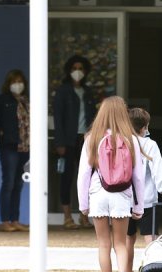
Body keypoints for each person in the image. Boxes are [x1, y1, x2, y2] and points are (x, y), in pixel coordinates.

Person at [77, 96, 145, 272]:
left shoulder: (92, 138)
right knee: (120, 243)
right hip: (122, 195)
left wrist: (83, 204)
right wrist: (139, 205)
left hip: (98, 193)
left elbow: (83, 174)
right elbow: (139, 176)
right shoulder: (131, 139)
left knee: (103, 244)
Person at [125, 107, 162, 272]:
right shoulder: (150, 144)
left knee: (127, 240)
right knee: (150, 239)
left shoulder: (122, 142)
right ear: (145, 126)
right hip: (147, 200)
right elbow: (158, 173)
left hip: (125, 200)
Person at [54, 55, 97, 229]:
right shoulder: (63, 91)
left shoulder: (88, 92)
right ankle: (66, 216)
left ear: (85, 71)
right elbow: (58, 118)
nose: (77, 72)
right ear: (69, 71)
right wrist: (60, 142)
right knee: (67, 177)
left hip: (85, 139)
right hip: (68, 140)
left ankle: (83, 216)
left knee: (87, 176)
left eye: (80, 68)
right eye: (74, 68)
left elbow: (94, 117)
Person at [0, 69, 30, 232]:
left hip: (25, 147)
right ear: (9, 84)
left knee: (19, 184)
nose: (17, 85)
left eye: (20, 81)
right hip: (9, 147)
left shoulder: (26, 101)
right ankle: (5, 220)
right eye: (14, 82)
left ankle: (15, 219)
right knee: (9, 182)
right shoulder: (3, 100)